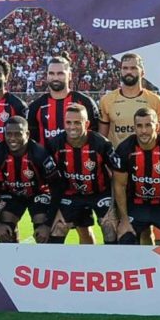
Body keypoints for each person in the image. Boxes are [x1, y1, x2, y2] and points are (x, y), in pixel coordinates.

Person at [111, 108, 160, 246]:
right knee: (126, 238)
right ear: (134, 127)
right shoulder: (124, 149)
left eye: (148, 125)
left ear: (157, 126)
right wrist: (123, 220)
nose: (144, 131)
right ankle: (136, 267)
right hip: (136, 205)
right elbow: (119, 185)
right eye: (139, 126)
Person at [0, 115, 62, 243]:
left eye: (18, 134)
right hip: (11, 193)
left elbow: (57, 187)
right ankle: (11, 261)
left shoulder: (40, 154)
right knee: (5, 232)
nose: (12, 139)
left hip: (38, 193)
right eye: (9, 134)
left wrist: (47, 224)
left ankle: (45, 261)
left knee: (43, 231)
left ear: (27, 134)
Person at [47, 103, 117, 245]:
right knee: (57, 228)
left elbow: (117, 175)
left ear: (87, 124)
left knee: (110, 226)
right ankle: (56, 265)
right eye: (68, 122)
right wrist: (55, 210)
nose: (72, 127)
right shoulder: (55, 144)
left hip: (100, 193)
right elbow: (50, 179)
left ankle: (111, 265)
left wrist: (114, 206)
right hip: (71, 194)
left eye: (77, 122)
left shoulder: (101, 144)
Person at [99, 53, 160, 147]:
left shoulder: (155, 100)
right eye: (125, 68)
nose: (128, 72)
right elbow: (102, 139)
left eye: (133, 68)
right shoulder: (106, 100)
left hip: (146, 159)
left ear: (142, 72)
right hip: (119, 159)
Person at [27, 55, 100, 143]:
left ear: (69, 75)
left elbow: (95, 137)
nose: (55, 78)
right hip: (47, 156)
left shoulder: (85, 102)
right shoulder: (36, 106)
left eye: (60, 73)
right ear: (47, 76)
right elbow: (32, 141)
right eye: (51, 73)